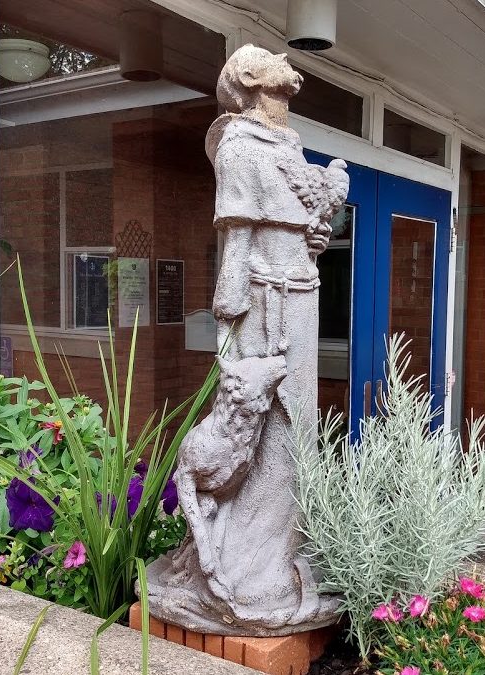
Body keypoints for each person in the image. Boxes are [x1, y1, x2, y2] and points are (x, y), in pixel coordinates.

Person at [146, 44, 349, 636]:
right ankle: (246, 567)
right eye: (268, 57)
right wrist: (228, 306)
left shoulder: (288, 144)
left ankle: (284, 555)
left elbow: (302, 225)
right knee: (261, 417)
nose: (286, 59)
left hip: (303, 293)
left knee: (299, 425)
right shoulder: (237, 144)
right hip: (263, 296)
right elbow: (237, 230)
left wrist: (316, 236)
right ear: (251, 78)